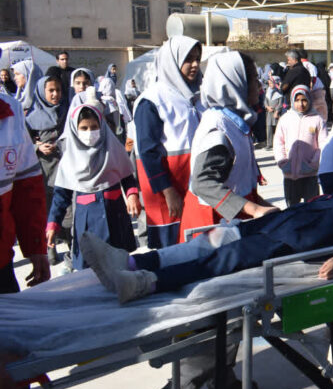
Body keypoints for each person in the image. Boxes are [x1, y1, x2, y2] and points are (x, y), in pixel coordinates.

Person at [82, 164, 333, 375]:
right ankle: (130, 262)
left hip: (301, 237)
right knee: (211, 242)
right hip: (287, 221)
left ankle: (145, 283)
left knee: (225, 259)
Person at [0, 92, 63, 389]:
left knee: (14, 354)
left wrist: (35, 246)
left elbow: (26, 187)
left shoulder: (8, 111)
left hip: (1, 263)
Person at [179, 51, 274, 243]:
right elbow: (203, 184)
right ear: (236, 84)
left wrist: (262, 205)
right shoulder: (218, 129)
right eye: (254, 79)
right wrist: (254, 209)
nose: (259, 85)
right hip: (212, 224)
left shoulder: (233, 122)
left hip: (230, 219)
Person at [46, 96, 141, 271]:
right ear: (75, 129)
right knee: (90, 271)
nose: (90, 132)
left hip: (115, 217)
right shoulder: (70, 159)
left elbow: (127, 176)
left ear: (101, 126)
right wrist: (53, 223)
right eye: (84, 128)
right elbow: (61, 196)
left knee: (120, 268)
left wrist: (132, 195)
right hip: (87, 222)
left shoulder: (112, 148)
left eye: (94, 127)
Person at [133, 35, 204, 248]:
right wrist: (168, 190)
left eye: (197, 58)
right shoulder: (152, 100)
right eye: (188, 59)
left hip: (195, 187)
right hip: (169, 192)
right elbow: (148, 151)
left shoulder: (198, 94)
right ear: (172, 62)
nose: (195, 64)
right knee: (172, 250)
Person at [24, 75, 68, 264]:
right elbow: (24, 143)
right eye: (51, 90)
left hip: (64, 167)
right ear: (42, 92)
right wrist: (38, 147)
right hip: (43, 170)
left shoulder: (66, 111)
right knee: (46, 209)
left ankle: (72, 246)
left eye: (58, 90)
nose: (55, 94)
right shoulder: (30, 119)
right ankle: (50, 249)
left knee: (67, 208)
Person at [274, 85, 327, 205]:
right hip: (290, 175)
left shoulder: (318, 119)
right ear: (292, 100)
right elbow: (278, 142)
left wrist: (314, 164)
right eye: (297, 100)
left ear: (309, 100)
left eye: (304, 100)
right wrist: (283, 162)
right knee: (292, 209)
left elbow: (323, 145)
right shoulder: (285, 119)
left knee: (312, 207)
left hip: (310, 174)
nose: (301, 104)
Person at [264, 76, 282, 150]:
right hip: (269, 113)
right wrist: (267, 107)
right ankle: (269, 144)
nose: (270, 84)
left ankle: (278, 143)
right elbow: (265, 101)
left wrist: (277, 111)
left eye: (271, 83)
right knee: (269, 128)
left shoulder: (279, 92)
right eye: (269, 83)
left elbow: (280, 104)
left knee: (277, 128)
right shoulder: (267, 92)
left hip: (276, 113)